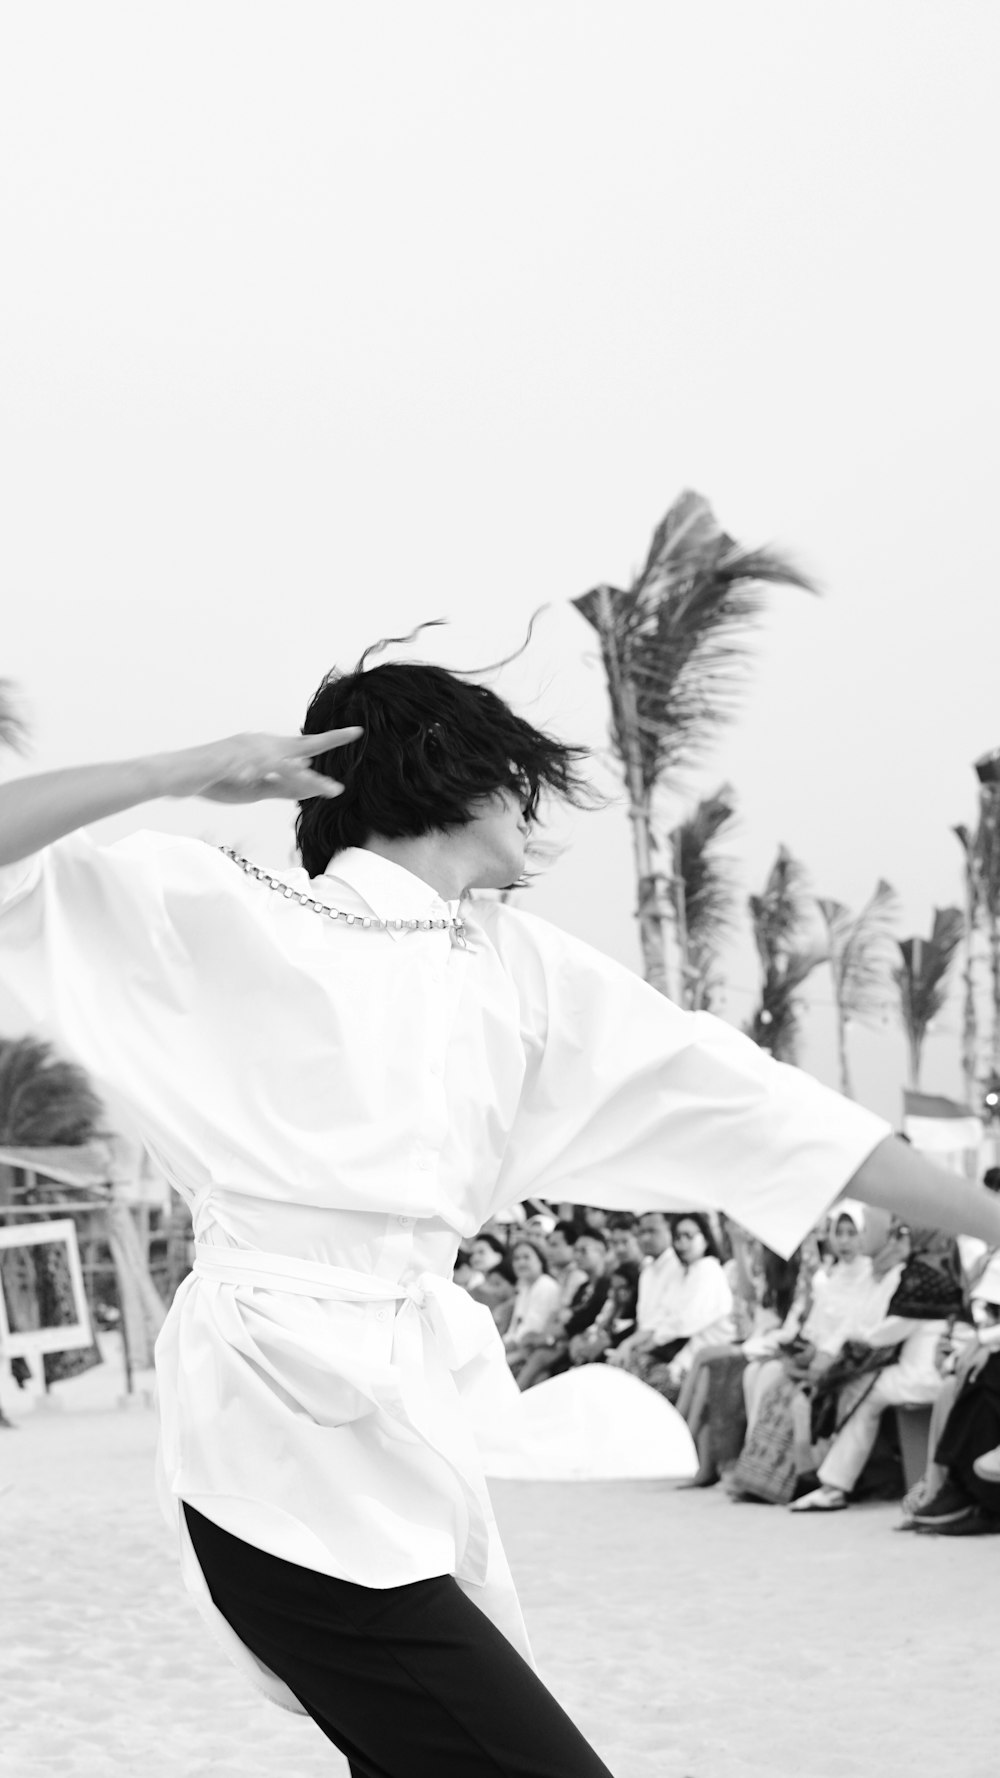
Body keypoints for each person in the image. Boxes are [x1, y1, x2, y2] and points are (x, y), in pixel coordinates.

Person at [3, 651, 1000, 1777]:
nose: (531, 802)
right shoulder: (228, 908)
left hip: (408, 1418)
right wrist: (185, 767)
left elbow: (765, 1110)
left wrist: (986, 1213)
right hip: (269, 1433)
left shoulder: (514, 968)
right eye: (514, 773)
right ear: (448, 770)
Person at [790, 1223, 964, 1513]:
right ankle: (834, 1479)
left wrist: (858, 1335)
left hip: (923, 1376)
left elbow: (889, 1331)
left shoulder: (925, 1277)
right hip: (933, 1370)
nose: (899, 1240)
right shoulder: (943, 1267)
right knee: (858, 1389)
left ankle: (835, 1484)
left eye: (905, 1233)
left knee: (859, 1392)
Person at [502, 1238, 561, 1380]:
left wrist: (506, 1346)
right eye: (516, 1258)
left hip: (536, 1348)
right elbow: (515, 1326)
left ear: (540, 1260)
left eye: (526, 1257)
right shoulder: (524, 1286)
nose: (521, 1262)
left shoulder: (546, 1285)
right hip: (519, 1346)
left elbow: (534, 1328)